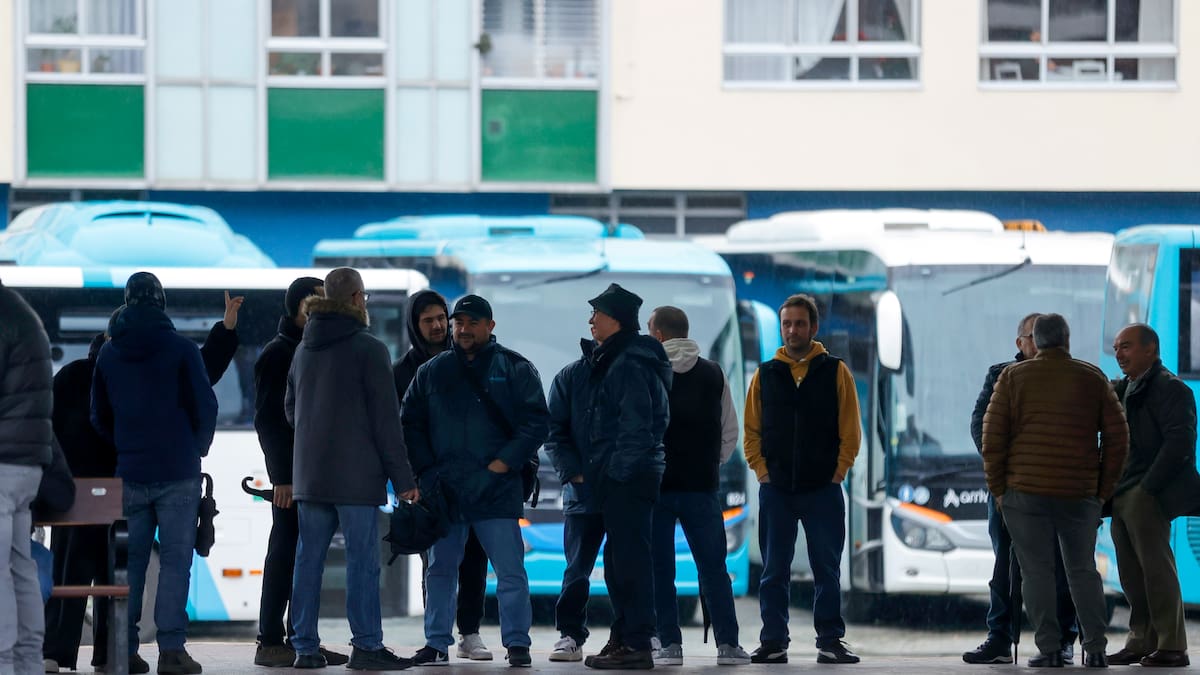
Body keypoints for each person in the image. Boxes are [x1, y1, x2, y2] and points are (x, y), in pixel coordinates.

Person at [46, 291, 242, 673]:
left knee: (91, 571)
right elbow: (204, 384)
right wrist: (195, 447)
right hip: (148, 475)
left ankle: (76, 651)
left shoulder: (91, 367)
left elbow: (82, 420)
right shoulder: (165, 356)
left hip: (91, 487)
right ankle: (139, 652)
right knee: (146, 568)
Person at [401, 294, 547, 668]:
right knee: (439, 571)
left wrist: (501, 466)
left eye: (472, 323)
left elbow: (536, 423)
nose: (463, 329)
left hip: (496, 490)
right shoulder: (431, 371)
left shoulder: (516, 368)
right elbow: (410, 422)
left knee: (510, 571)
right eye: (458, 323)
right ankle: (436, 644)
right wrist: (427, 473)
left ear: (490, 326)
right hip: (445, 491)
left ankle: (517, 644)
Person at [284, 267, 418, 671]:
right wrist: (404, 480)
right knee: (363, 562)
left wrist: (316, 434)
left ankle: (304, 648)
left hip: (311, 475)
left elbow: (290, 410)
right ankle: (366, 646)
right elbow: (385, 422)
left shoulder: (303, 349)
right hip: (357, 478)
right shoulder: (369, 348)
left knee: (308, 561)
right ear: (357, 298)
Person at [982, 313, 1127, 668]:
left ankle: (1049, 649)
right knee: (1082, 571)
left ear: (1036, 340)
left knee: (1036, 573)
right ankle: (1094, 648)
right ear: (1067, 339)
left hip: (1024, 494)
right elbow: (1118, 437)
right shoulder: (1091, 377)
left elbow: (992, 437)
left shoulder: (1013, 378)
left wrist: (1000, 490)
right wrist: (1102, 488)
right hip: (1079, 495)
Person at [89, 272, 217, 674]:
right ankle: (172, 651)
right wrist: (194, 449)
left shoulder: (109, 354)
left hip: (130, 472)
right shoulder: (181, 348)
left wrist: (125, 446)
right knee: (177, 563)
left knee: (130, 565)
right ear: (161, 301)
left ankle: (124, 651)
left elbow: (98, 414)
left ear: (126, 302)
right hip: (178, 471)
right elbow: (206, 406)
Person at [744, 293, 861, 665]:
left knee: (827, 570)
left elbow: (850, 430)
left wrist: (838, 472)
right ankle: (773, 641)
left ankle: (830, 640)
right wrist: (762, 472)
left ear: (813, 327)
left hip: (823, 490)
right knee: (773, 571)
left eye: (799, 323)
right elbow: (751, 432)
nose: (792, 330)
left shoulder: (835, 371)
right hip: (776, 489)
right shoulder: (765, 374)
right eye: (787, 324)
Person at [962, 313, 1080, 665]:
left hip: (1058, 487)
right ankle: (999, 637)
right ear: (1021, 343)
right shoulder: (1001, 374)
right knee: (1005, 567)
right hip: (1007, 488)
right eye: (1034, 336)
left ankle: (1063, 639)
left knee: (1062, 567)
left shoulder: (1076, 375)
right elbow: (981, 426)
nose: (1043, 343)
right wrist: (1004, 476)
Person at [250, 277, 350, 669]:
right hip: (294, 477)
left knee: (306, 558)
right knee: (285, 555)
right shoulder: (279, 353)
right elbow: (268, 421)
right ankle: (270, 640)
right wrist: (282, 477)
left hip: (315, 473)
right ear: (299, 309)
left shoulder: (311, 348)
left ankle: (302, 638)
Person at [645, 306, 750, 666]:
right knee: (713, 568)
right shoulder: (713, 373)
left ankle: (669, 645)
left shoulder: (649, 372)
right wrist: (708, 464)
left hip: (657, 489)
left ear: (658, 335)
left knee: (660, 569)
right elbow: (730, 430)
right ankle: (728, 645)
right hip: (702, 489)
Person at [392, 290, 493, 662]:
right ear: (414, 326)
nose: (437, 326)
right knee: (435, 563)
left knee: (475, 557)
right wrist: (412, 479)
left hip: (471, 478)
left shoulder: (469, 362)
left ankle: (469, 631)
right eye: (427, 320)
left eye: (441, 318)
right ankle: (437, 639)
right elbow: (399, 431)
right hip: (428, 483)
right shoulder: (401, 373)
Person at [578, 284, 673, 670]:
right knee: (619, 563)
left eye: (596, 315)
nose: (590, 322)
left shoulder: (630, 362)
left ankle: (636, 644)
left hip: (628, 479)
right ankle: (624, 637)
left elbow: (636, 428)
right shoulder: (621, 357)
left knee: (629, 564)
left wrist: (614, 475)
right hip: (625, 477)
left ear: (615, 319)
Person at [1106, 324, 1200, 668]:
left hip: (1146, 492)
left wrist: (1148, 489)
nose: (1119, 354)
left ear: (1151, 349)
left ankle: (1172, 645)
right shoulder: (1127, 387)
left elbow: (1180, 444)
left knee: (1157, 569)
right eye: (1117, 347)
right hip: (1123, 490)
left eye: (1126, 347)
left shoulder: (1170, 388)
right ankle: (1141, 639)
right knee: (1131, 573)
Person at [0, 278, 54, 675]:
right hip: (27, 465)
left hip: (2, 462)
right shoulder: (20, 311)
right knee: (20, 566)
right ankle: (29, 662)